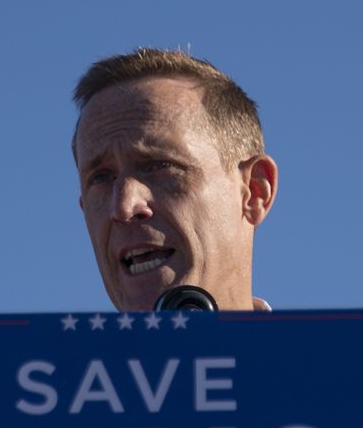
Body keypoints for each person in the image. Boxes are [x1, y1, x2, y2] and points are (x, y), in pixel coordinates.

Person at [72, 49, 278, 313]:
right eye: (101, 178)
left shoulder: (335, 354)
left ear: (254, 192)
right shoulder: (19, 354)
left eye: (160, 166)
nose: (123, 206)